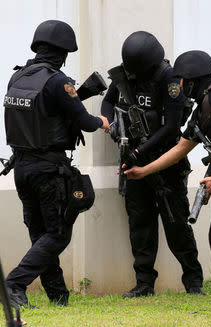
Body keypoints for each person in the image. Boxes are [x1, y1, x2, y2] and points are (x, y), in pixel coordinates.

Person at [124, 50, 211, 302]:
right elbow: (180, 148)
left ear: (193, 79)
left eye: (182, 80)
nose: (179, 86)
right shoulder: (200, 111)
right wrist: (143, 171)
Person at [3, 20, 110, 307]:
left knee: (41, 234)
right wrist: (102, 121)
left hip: (22, 169)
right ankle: (13, 285)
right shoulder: (57, 81)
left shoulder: (17, 78)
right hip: (48, 170)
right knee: (58, 234)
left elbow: (44, 117)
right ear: (63, 52)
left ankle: (58, 296)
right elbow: (85, 123)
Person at [101, 31, 204, 298]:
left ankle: (194, 283)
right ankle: (144, 283)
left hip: (164, 162)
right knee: (140, 224)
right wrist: (111, 123)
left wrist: (140, 151)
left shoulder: (169, 79)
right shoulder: (125, 74)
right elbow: (109, 100)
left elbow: (171, 128)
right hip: (132, 162)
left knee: (176, 223)